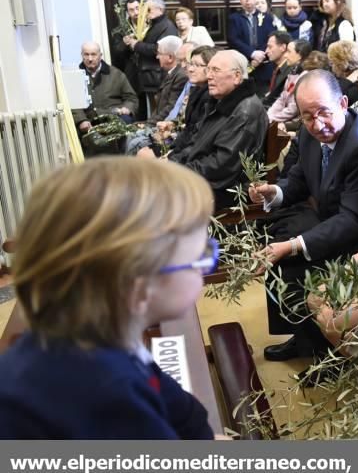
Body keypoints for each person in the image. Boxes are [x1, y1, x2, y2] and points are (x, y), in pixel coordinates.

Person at [0, 157, 216, 439]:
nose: (208, 263)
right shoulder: (106, 394)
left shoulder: (96, 340)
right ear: (140, 288)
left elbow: (183, 414)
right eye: (200, 257)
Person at [248, 70, 358, 361]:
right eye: (307, 116)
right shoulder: (309, 133)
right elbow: (299, 179)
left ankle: (326, 353)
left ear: (342, 103)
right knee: (279, 244)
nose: (318, 124)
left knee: (292, 259)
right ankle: (302, 337)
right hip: (331, 220)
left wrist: (293, 245)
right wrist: (274, 192)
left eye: (324, 113)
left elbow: (354, 220)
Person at [139, 50, 267, 210]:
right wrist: (172, 161)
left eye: (216, 70)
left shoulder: (245, 111)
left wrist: (177, 170)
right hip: (203, 177)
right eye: (209, 70)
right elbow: (195, 142)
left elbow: (222, 165)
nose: (209, 76)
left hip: (226, 190)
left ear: (236, 76)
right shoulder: (219, 101)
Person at [123, 0, 179, 120]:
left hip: (158, 76)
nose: (144, 12)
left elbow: (158, 49)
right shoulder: (155, 24)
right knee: (153, 111)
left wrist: (136, 44)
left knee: (159, 111)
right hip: (151, 76)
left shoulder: (166, 26)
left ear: (159, 9)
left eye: (148, 9)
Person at [73, 41, 138, 132]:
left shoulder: (116, 74)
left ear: (100, 55)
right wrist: (81, 120)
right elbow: (73, 104)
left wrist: (127, 108)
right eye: (86, 55)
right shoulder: (75, 77)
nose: (90, 58)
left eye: (93, 54)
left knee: (126, 121)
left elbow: (131, 98)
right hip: (90, 121)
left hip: (115, 117)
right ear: (82, 56)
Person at [227, 0, 277, 97]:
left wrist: (261, 55)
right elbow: (233, 40)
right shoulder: (234, 18)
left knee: (264, 99)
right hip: (243, 64)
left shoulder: (267, 17)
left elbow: (271, 38)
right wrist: (252, 53)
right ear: (240, 0)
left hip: (264, 65)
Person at [267, 39, 312, 127]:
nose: (285, 55)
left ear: (299, 56)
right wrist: (269, 116)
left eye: (289, 52)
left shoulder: (305, 77)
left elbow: (294, 108)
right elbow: (282, 98)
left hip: (294, 124)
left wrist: (272, 119)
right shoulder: (292, 71)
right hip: (281, 118)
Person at [109, 0, 141, 92]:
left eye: (137, 8)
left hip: (150, 72)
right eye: (131, 10)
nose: (135, 12)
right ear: (127, 12)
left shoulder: (150, 24)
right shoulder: (121, 30)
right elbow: (116, 52)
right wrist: (124, 43)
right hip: (133, 74)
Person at [263, 31, 294, 109]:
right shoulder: (278, 69)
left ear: (283, 48)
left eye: (270, 47)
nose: (266, 51)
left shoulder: (290, 73)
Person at [328, 39, 358, 105]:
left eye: (332, 63)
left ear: (340, 63)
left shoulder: (354, 87)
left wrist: (347, 81)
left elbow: (333, 101)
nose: (332, 67)